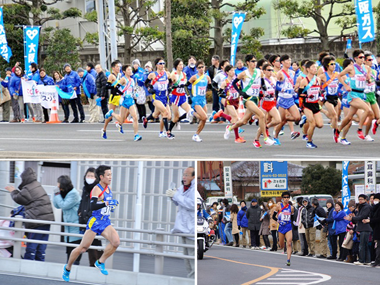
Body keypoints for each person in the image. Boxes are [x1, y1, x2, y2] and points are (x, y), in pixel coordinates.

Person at [62, 165, 120, 282]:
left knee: (116, 242)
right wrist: (107, 204)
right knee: (83, 248)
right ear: (101, 177)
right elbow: (92, 206)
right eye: (108, 175)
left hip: (105, 221)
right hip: (95, 222)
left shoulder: (109, 189)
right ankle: (67, 268)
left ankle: (100, 262)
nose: (110, 177)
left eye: (111, 174)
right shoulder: (96, 189)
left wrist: (111, 207)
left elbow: (105, 205)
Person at [5, 167, 55, 261]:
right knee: (41, 246)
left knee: (32, 246)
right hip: (47, 220)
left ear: (25, 178)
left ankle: (28, 265)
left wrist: (13, 191)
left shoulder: (28, 187)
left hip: (37, 220)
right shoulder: (36, 185)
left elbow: (19, 198)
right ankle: (40, 265)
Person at [336, 49, 374, 142]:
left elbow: (368, 79)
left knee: (349, 117)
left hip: (361, 94)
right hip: (353, 94)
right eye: (360, 57)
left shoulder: (366, 68)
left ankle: (338, 131)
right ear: (355, 58)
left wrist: (369, 80)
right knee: (368, 110)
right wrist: (346, 86)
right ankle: (360, 130)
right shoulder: (351, 68)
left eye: (363, 57)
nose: (362, 59)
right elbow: (339, 76)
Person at [166, 166, 195, 279]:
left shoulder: (194, 189)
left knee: (192, 261)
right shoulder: (182, 188)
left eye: (187, 175)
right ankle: (189, 280)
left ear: (193, 177)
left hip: (191, 231)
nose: (184, 177)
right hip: (183, 229)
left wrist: (176, 196)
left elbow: (192, 204)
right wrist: (172, 197)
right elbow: (179, 203)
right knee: (187, 260)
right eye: (183, 175)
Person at [105, 64, 142, 142]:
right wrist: (121, 94)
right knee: (121, 120)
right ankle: (112, 113)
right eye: (128, 70)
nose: (130, 71)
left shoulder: (132, 80)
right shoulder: (123, 79)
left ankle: (136, 135)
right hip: (124, 101)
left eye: (131, 70)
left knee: (135, 117)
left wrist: (135, 94)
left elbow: (133, 90)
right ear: (124, 71)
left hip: (131, 101)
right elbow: (115, 89)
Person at [77, 167, 104, 267]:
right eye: (88, 176)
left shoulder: (98, 189)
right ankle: (94, 264)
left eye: (92, 176)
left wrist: (90, 216)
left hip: (93, 221)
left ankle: (96, 265)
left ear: (96, 178)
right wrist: (80, 211)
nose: (90, 178)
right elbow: (83, 202)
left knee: (94, 245)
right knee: (86, 244)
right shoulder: (85, 189)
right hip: (84, 221)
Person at [53, 175, 82, 265]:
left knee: (74, 252)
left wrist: (57, 195)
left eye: (58, 183)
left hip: (75, 226)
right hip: (69, 227)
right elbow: (57, 205)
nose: (57, 185)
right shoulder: (65, 193)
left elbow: (64, 205)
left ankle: (73, 272)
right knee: (69, 252)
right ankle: (69, 271)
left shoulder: (73, 193)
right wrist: (56, 194)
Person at [142, 57, 173, 139]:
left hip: (164, 97)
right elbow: (146, 83)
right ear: (156, 65)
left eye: (163, 63)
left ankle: (146, 119)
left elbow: (170, 82)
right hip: (156, 97)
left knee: (158, 115)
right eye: (160, 63)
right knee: (165, 113)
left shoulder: (167, 73)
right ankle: (168, 133)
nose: (162, 65)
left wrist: (170, 87)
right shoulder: (152, 74)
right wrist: (149, 89)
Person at [298, 61, 323, 148]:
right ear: (308, 69)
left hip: (315, 104)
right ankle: (309, 141)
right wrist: (301, 109)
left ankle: (306, 120)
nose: (315, 69)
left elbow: (319, 91)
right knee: (312, 124)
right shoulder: (304, 81)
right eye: (313, 67)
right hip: (307, 105)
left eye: (316, 67)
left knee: (320, 125)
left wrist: (320, 97)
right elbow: (300, 96)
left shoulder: (318, 79)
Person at [168, 58, 195, 136]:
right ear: (176, 66)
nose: (181, 66)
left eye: (182, 64)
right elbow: (170, 86)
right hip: (175, 97)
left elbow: (185, 86)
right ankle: (169, 131)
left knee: (190, 112)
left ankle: (178, 120)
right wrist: (175, 86)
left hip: (182, 96)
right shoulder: (173, 74)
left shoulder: (184, 74)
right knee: (175, 117)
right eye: (180, 64)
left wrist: (189, 96)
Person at [345, 194, 373, 265]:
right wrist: (353, 218)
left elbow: (363, 216)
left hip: (365, 227)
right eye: (359, 199)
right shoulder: (361, 207)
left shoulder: (366, 207)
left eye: (361, 199)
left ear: (365, 200)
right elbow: (358, 217)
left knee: (362, 245)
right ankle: (367, 260)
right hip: (362, 227)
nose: (360, 200)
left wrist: (352, 218)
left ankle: (361, 260)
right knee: (364, 244)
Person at [188, 60, 211, 142]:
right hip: (196, 100)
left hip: (203, 100)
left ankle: (196, 135)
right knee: (204, 116)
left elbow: (210, 87)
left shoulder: (207, 77)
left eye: (203, 67)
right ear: (197, 69)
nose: (201, 69)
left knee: (204, 119)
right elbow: (186, 86)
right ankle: (192, 113)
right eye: (199, 67)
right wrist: (189, 97)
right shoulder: (194, 77)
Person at [102, 61, 123, 139]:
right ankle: (104, 129)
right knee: (110, 116)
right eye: (117, 66)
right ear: (113, 68)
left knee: (125, 111)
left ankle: (119, 123)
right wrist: (114, 86)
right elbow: (107, 86)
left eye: (119, 66)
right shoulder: (111, 76)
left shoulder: (120, 75)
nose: (119, 68)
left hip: (120, 96)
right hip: (114, 96)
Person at [272, 191, 294, 266]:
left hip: (288, 227)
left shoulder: (291, 208)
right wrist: (278, 221)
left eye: (288, 197)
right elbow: (273, 216)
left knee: (289, 243)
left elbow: (293, 218)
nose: (286, 199)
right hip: (281, 227)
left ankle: (288, 260)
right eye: (285, 197)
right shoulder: (278, 206)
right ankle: (281, 245)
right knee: (281, 246)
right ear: (282, 198)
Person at [369, 193, 380, 267]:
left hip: (379, 229)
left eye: (376, 199)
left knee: (378, 246)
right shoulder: (375, 208)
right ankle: (377, 260)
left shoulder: (378, 208)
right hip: (376, 229)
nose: (374, 201)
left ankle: (377, 261)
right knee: (377, 245)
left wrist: (370, 220)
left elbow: (378, 219)